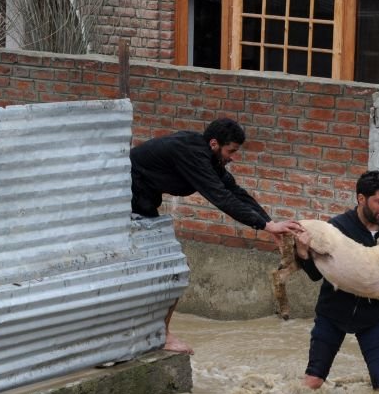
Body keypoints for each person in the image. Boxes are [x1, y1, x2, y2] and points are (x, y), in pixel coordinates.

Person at [130, 117, 303, 354]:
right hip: (122, 203)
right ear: (214, 144)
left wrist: (270, 223)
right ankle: (161, 335)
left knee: (173, 269)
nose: (233, 157)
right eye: (230, 150)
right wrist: (264, 225)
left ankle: (157, 334)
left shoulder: (207, 156)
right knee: (175, 268)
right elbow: (220, 197)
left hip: (142, 206)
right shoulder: (192, 154)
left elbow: (234, 191)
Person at [294, 170, 379, 392]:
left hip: (372, 319)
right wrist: (303, 252)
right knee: (312, 383)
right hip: (332, 314)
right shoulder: (337, 229)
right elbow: (316, 275)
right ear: (361, 198)